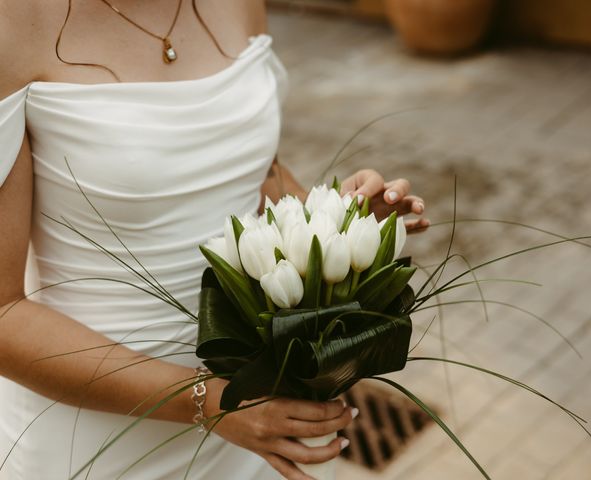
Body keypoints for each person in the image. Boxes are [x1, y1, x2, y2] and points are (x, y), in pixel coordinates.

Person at [0, 1, 428, 479]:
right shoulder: (14, 23)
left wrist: (336, 222)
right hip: (104, 431)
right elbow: (2, 314)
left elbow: (252, 172)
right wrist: (213, 401)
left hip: (265, 412)